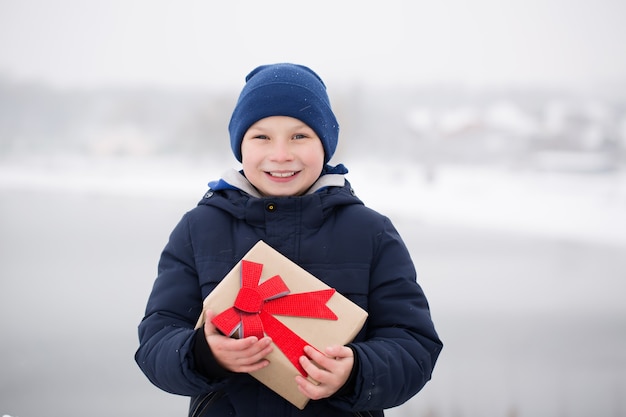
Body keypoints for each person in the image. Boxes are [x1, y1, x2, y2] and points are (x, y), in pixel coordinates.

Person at [135, 63, 442, 417]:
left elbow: (415, 346)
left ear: (325, 145)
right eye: (261, 137)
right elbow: (156, 341)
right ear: (240, 146)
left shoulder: (371, 233)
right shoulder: (198, 230)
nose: (280, 154)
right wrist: (202, 353)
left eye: (300, 136)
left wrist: (357, 371)